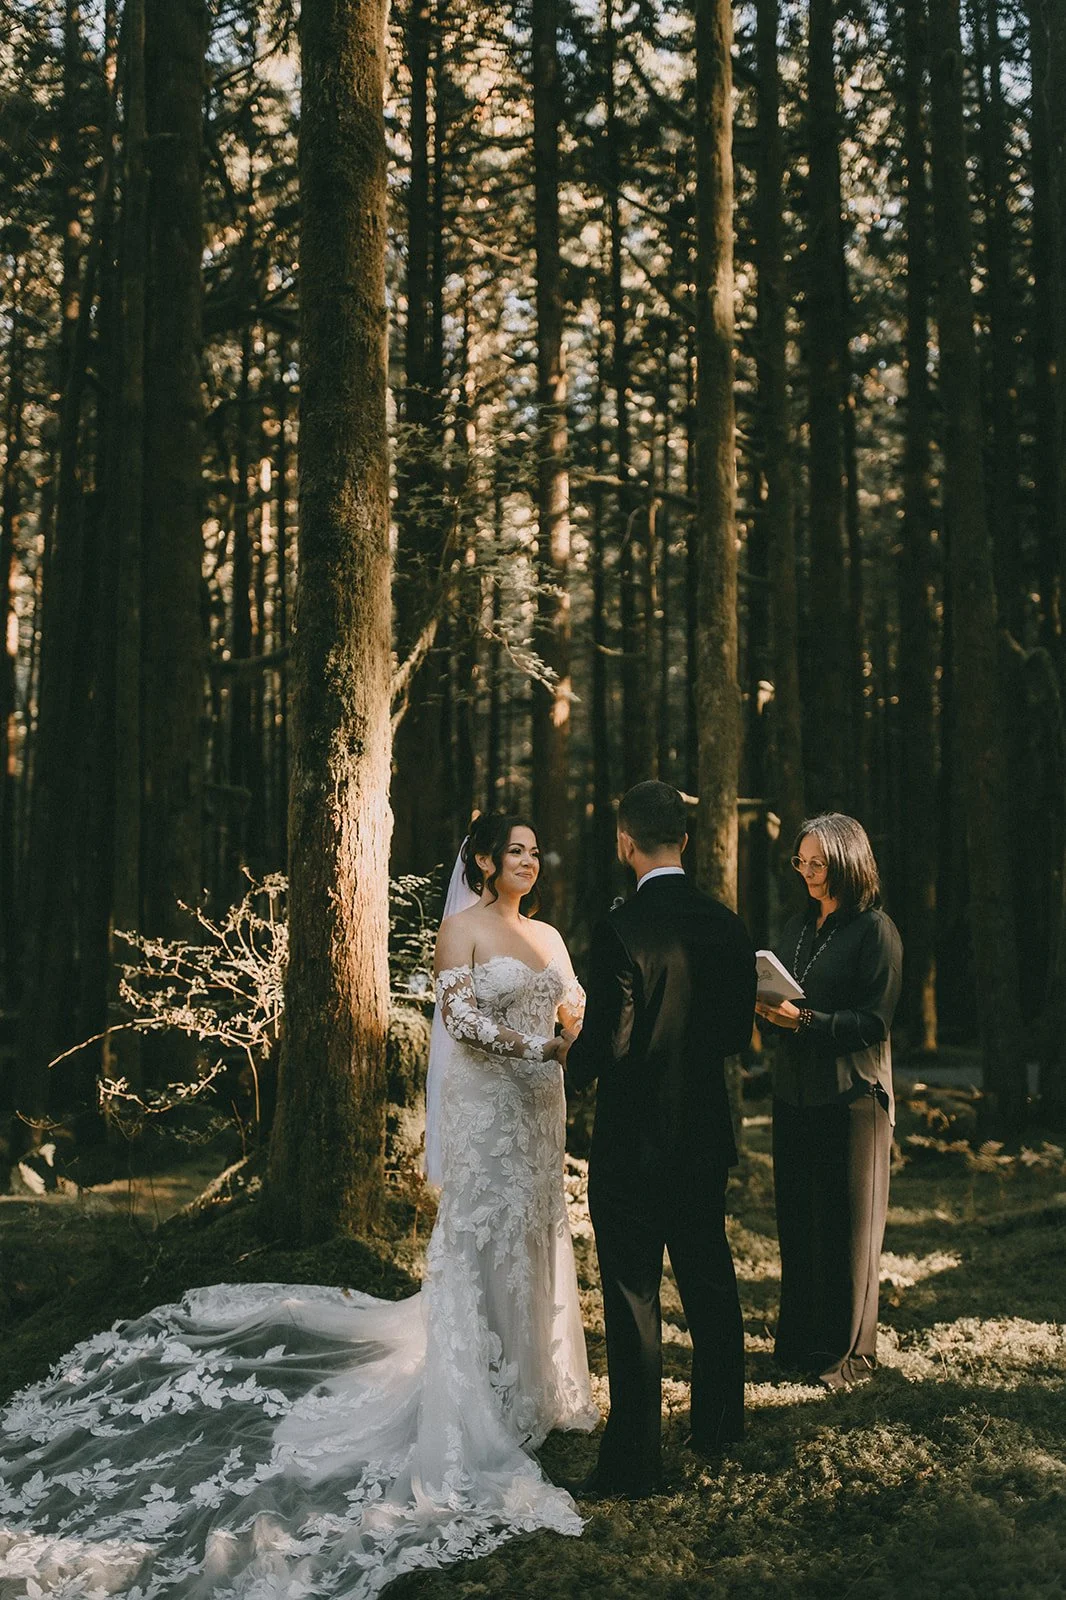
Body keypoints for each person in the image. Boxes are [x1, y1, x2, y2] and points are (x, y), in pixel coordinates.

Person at [0, 814, 598, 1599]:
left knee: (535, 1235)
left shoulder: (549, 935)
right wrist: (529, 1048)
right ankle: (480, 1392)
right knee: (484, 1236)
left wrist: (570, 1023)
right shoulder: (461, 930)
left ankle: (539, 1384)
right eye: (514, 851)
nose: (528, 861)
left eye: (533, 851)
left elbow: (573, 1000)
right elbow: (457, 1020)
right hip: (490, 1106)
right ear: (486, 861)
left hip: (539, 1112)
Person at [562, 781, 757, 1499]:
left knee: (633, 1294)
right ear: (687, 840)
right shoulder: (727, 926)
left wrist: (568, 1055)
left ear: (625, 842)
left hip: (633, 1144)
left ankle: (635, 1462)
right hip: (704, 1132)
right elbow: (737, 1037)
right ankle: (719, 1427)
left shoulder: (620, 931)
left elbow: (607, 1048)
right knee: (710, 1278)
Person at [755, 812, 902, 1390]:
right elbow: (787, 1011)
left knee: (848, 1233)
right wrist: (771, 1015)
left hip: (852, 1101)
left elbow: (873, 1022)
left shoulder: (876, 931)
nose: (809, 873)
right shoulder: (796, 927)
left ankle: (848, 1358)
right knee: (799, 1225)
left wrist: (805, 1020)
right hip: (794, 1095)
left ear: (847, 861)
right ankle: (799, 1347)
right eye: (802, 862)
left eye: (819, 863)